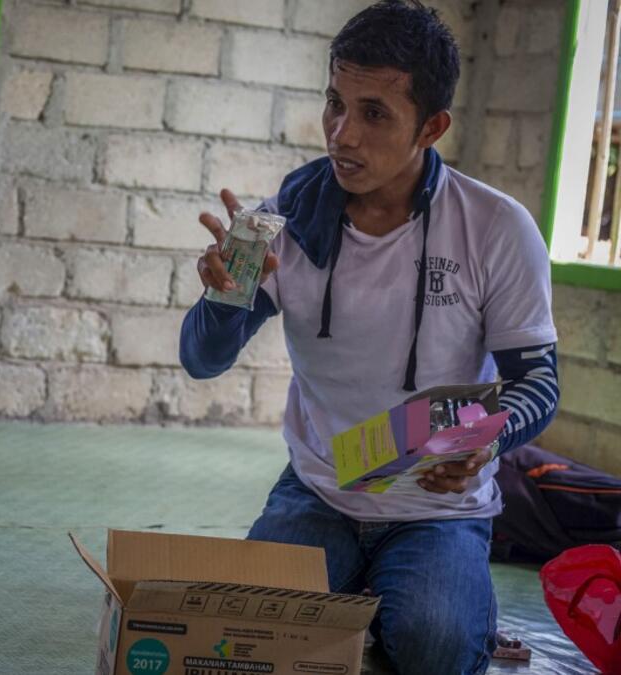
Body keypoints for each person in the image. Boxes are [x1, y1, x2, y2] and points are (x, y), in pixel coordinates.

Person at [179, 2, 558, 674]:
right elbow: (201, 360)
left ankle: (439, 596)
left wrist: (485, 439)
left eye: (374, 113)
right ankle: (361, 592)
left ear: (432, 126)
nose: (341, 135)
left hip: (439, 509)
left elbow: (540, 382)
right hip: (318, 488)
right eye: (334, 102)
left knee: (435, 643)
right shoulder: (284, 221)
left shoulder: (495, 228)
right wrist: (224, 296)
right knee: (245, 636)